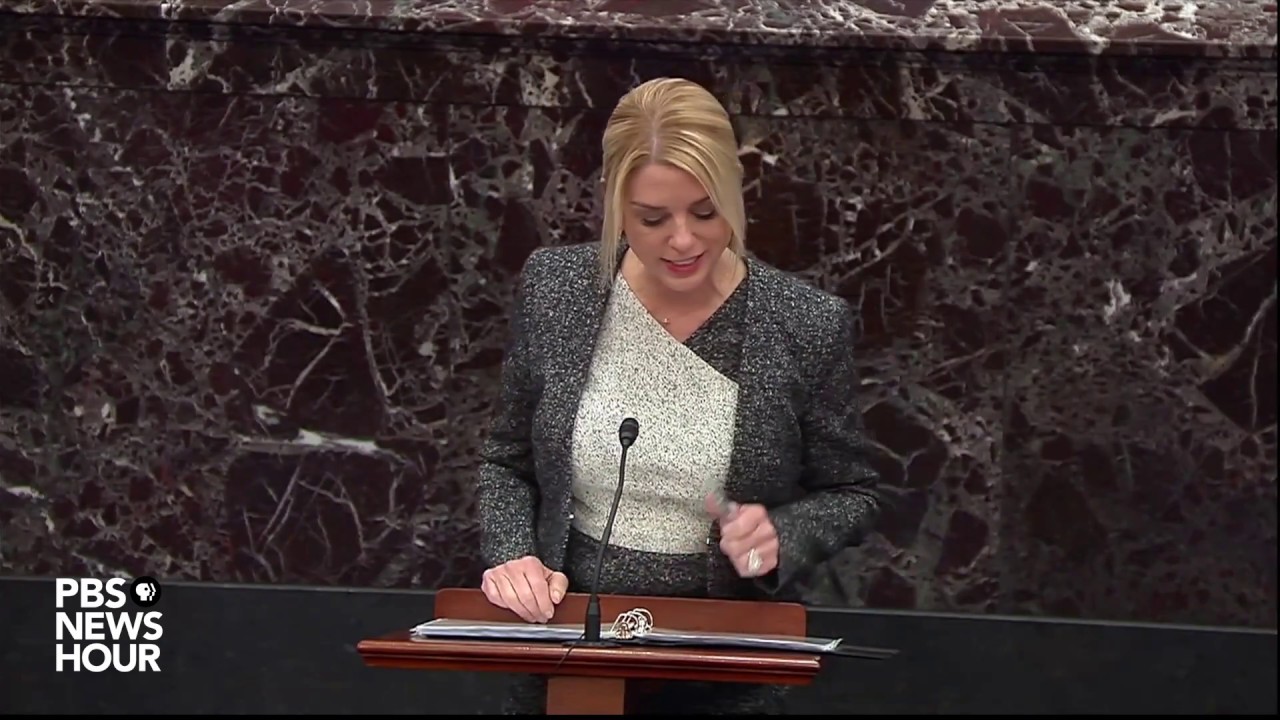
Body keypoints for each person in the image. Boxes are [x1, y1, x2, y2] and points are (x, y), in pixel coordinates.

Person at [474, 77, 881, 715]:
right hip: (569, 648)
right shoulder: (558, 289)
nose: (684, 240)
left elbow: (853, 492)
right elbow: (506, 460)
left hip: (723, 666)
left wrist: (780, 534)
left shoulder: (803, 322)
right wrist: (512, 555)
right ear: (615, 204)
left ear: (735, 195)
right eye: (652, 218)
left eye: (706, 212)